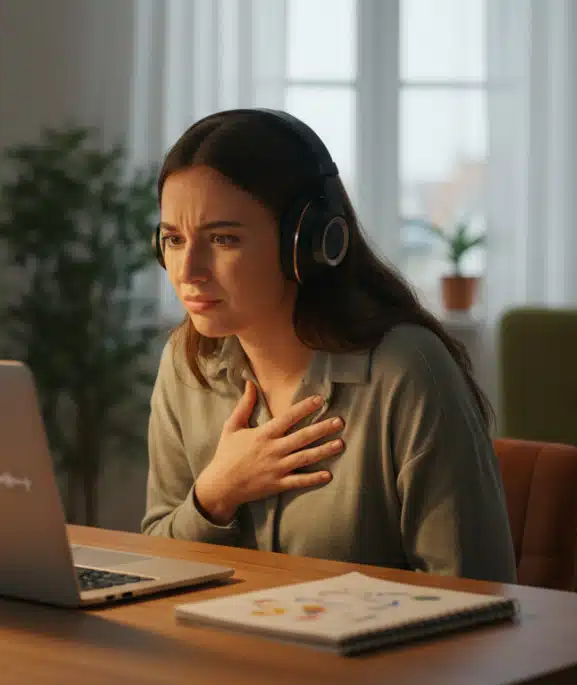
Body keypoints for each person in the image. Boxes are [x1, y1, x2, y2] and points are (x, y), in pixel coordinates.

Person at [140, 108, 517, 583]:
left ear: (307, 243)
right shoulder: (185, 364)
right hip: (217, 653)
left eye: (223, 238)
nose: (187, 270)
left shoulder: (407, 372)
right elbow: (155, 561)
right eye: (173, 240)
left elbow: (472, 591)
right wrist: (214, 495)